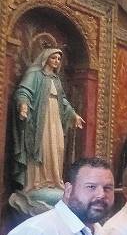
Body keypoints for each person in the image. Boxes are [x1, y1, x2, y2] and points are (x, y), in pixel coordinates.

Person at [10, 48, 85, 193]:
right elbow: (23, 91)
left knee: (57, 147)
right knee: (42, 146)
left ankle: (53, 180)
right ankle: (36, 182)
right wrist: (23, 105)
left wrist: (73, 115)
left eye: (58, 59)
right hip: (40, 119)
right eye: (53, 58)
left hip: (55, 117)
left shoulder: (56, 80)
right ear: (46, 59)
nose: (56, 61)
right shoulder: (35, 75)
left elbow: (62, 100)